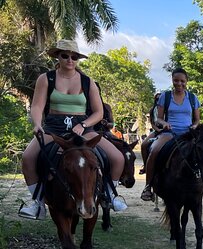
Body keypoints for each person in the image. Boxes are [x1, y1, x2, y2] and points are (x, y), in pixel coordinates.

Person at [19, 39, 127, 219]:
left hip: (83, 130)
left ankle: (109, 195)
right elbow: (37, 106)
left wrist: (83, 125)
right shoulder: (46, 79)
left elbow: (99, 112)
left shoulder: (88, 82)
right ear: (57, 57)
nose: (70, 60)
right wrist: (37, 124)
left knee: (118, 158)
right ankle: (37, 202)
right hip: (53, 129)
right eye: (65, 56)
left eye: (74, 57)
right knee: (28, 157)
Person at [140, 68, 203, 201]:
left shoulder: (192, 98)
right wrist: (164, 124)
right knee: (155, 149)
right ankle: (148, 185)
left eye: (182, 81)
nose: (179, 84)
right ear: (172, 81)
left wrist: (195, 126)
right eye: (176, 81)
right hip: (170, 132)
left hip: (188, 132)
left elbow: (197, 119)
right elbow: (159, 118)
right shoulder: (165, 96)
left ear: (186, 82)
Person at [140, 92, 162, 173]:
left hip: (168, 129)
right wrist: (158, 130)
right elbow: (152, 123)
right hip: (156, 130)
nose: (158, 100)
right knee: (144, 144)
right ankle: (146, 165)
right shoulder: (152, 110)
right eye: (157, 98)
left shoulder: (167, 108)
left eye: (160, 98)